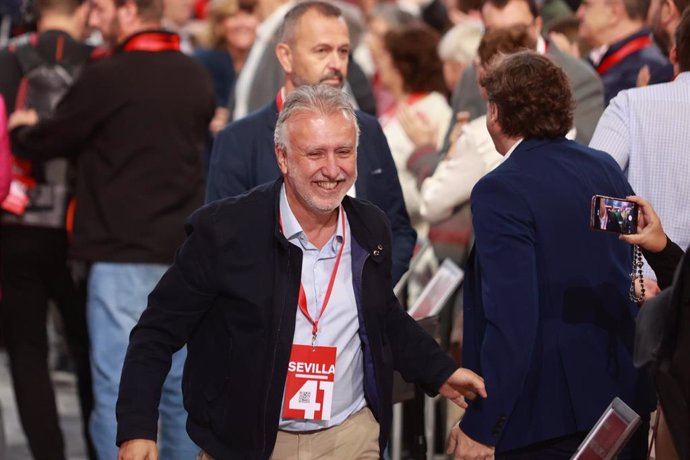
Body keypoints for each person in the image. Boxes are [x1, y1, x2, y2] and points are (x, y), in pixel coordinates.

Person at [115, 84, 486, 460]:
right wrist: (137, 428)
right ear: (282, 156)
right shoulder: (224, 231)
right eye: (315, 154)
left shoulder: (370, 227)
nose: (332, 169)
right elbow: (156, 332)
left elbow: (383, 316)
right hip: (245, 446)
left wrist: (440, 371)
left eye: (344, 152)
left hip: (350, 437)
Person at [8, 0, 215, 457]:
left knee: (120, 394)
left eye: (102, 9)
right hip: (179, 254)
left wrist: (22, 130)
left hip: (118, 256)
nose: (93, 20)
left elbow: (54, 136)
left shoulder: (108, 76)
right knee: (177, 391)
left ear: (128, 11)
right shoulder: (194, 75)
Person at [449, 51, 654, 458]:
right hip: (619, 404)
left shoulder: (500, 190)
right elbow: (628, 271)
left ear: (494, 113)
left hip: (542, 420)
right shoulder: (604, 168)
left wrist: (483, 425)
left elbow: (512, 320)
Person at [206, 0, 416, 284]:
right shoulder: (238, 140)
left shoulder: (369, 130)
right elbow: (220, 241)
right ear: (286, 57)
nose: (335, 63)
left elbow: (398, 228)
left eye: (343, 51)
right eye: (322, 50)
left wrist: (372, 289)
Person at [0, 0, 96, 458]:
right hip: (83, 222)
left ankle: (48, 452)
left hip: (15, 220)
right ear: (81, 9)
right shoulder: (98, 59)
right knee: (88, 348)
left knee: (27, 349)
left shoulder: (6, 55)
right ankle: (100, 447)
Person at [590, 5, 690, 284]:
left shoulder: (631, 105)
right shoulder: (630, 105)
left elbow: (592, 197)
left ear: (674, 55)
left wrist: (638, 230)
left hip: (641, 291)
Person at [453, 0, 604, 144]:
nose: (505, 41)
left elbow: (583, 149)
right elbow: (448, 149)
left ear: (537, 25)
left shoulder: (579, 77)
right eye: (493, 32)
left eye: (517, 30)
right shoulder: (470, 77)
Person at [577, 0, 673, 103]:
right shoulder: (605, 60)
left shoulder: (652, 67)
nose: (579, 14)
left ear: (614, 12)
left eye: (586, 5)